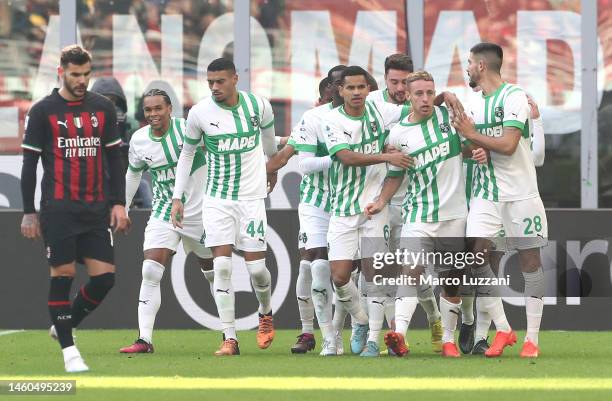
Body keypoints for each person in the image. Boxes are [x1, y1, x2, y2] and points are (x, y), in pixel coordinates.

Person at [20, 45, 129, 372]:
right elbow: (29, 166)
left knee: (104, 279)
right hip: (59, 210)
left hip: (95, 210)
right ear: (61, 73)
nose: (81, 80)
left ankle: (63, 325)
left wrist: (119, 203)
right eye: (75, 75)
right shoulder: (42, 111)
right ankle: (69, 352)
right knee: (63, 275)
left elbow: (114, 157)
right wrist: (29, 211)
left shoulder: (102, 109)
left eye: (86, 74)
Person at [365, 70, 487, 357]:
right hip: (418, 215)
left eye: (430, 92)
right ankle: (399, 335)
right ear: (407, 96)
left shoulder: (448, 117)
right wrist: (382, 201)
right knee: (412, 272)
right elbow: (394, 175)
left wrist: (478, 152)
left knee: (451, 280)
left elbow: (467, 146)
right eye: (418, 93)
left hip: (454, 216)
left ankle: (448, 340)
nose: (425, 98)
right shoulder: (398, 134)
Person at [170, 58, 278, 356]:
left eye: (220, 81)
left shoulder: (259, 106)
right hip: (217, 199)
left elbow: (269, 146)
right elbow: (187, 155)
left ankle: (265, 313)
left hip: (251, 198)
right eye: (210, 83)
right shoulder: (200, 113)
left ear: (235, 78)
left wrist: (272, 169)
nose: (215, 87)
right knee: (222, 265)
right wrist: (177, 197)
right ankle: (229, 337)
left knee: (257, 270)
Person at [453, 42, 548, 358]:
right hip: (486, 195)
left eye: (469, 63)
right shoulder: (475, 104)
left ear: (481, 66)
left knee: (530, 263)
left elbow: (508, 145)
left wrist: (473, 134)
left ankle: (531, 339)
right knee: (476, 257)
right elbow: (469, 147)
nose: (466, 68)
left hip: (521, 195)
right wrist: (474, 147)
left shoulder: (514, 97)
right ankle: (504, 329)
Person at [322, 66, 413, 357]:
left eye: (362, 87)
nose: (357, 93)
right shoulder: (332, 120)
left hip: (375, 207)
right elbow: (345, 157)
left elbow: (415, 107)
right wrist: (386, 156)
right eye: (351, 88)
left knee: (375, 276)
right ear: (341, 90)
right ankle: (360, 320)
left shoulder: (380, 110)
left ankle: (373, 339)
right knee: (339, 276)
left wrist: (446, 97)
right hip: (343, 208)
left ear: (368, 89)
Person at [119, 89, 214, 353]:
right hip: (163, 212)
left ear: (170, 109)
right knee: (150, 269)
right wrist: (124, 208)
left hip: (199, 212)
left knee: (214, 273)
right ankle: (144, 340)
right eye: (148, 110)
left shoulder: (189, 129)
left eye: (158, 108)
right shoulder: (138, 140)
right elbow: (133, 175)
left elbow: (229, 141)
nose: (153, 115)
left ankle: (230, 335)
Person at [367, 53, 443, 352]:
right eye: (394, 81)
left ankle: (435, 317)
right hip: (381, 199)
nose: (399, 88)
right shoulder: (371, 103)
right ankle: (385, 335)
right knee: (382, 271)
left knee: (412, 272)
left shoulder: (430, 106)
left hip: (414, 201)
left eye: (404, 82)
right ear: (385, 79)